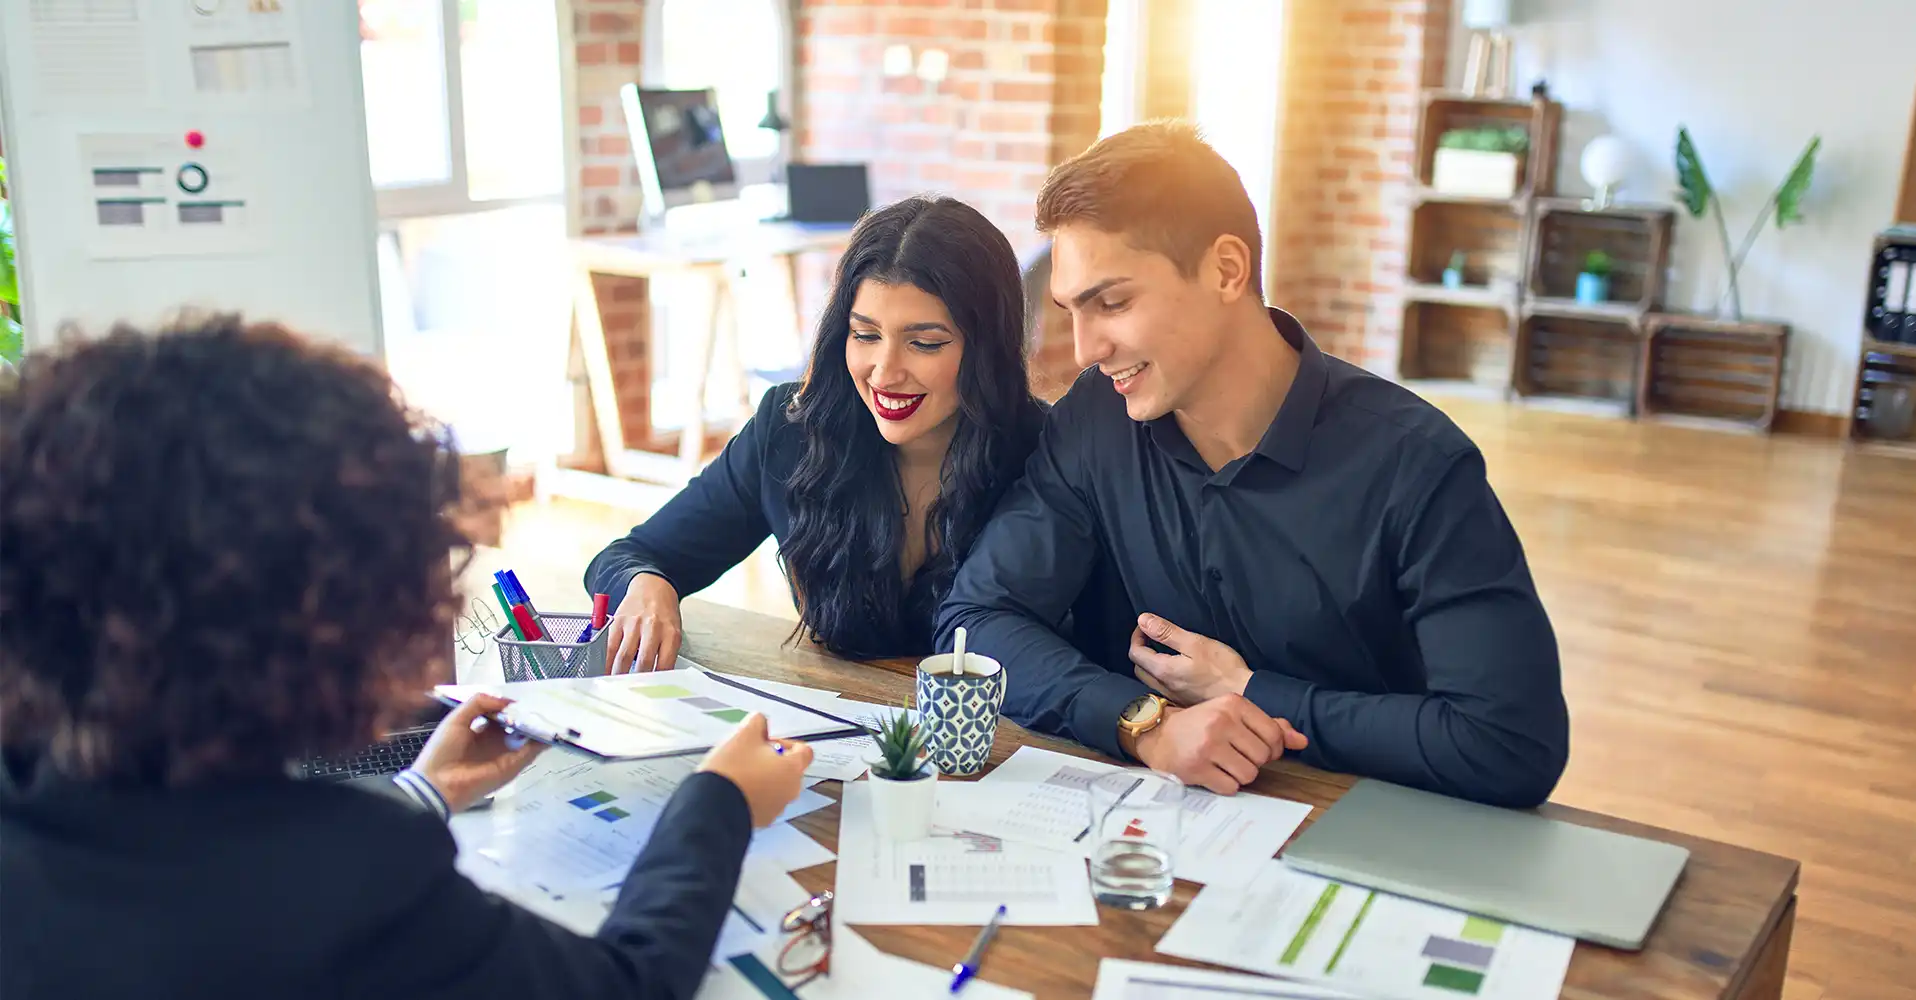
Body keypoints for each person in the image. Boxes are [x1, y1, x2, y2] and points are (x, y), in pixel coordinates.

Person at [0, 316, 814, 999]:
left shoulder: (30, 793)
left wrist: (423, 790)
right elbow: (624, 985)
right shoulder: (358, 871)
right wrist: (719, 800)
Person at [936, 122, 1569, 808]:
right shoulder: (1097, 419)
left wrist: (1250, 696)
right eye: (1071, 310)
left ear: (1227, 270)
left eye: (1112, 303)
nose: (1086, 347)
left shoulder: (1416, 465)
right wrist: (1143, 723)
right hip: (1154, 830)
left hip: (1365, 837)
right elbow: (975, 622)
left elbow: (1509, 742)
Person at [586, 195, 1045, 670]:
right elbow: (629, 556)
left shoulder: (1046, 453)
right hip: (829, 727)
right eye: (865, 335)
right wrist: (647, 586)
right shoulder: (791, 433)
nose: (884, 373)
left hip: (997, 739)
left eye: (924, 343)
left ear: (986, 348)